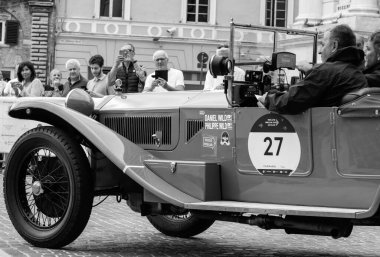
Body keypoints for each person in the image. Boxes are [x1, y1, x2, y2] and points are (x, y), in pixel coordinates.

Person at [258, 24, 367, 114]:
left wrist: (268, 99)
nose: (319, 51)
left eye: (323, 45)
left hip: (322, 134)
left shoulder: (326, 71)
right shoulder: (358, 74)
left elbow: (292, 102)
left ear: (334, 46)